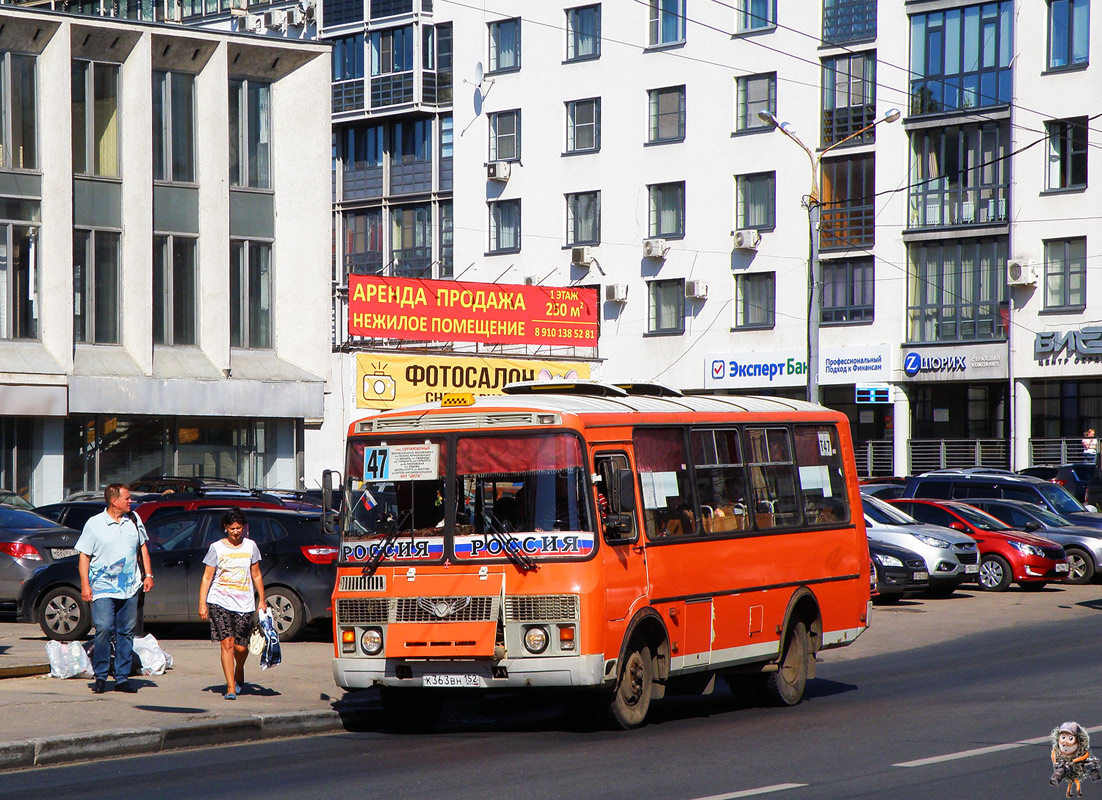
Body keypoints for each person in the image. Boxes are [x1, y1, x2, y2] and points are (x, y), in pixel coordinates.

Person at [76, 483, 153, 694]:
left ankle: (121, 678)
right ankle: (100, 676)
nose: (131, 502)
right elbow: (84, 556)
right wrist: (85, 585)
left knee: (126, 632)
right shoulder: (94, 524)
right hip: (102, 587)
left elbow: (142, 548)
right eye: (127, 498)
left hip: (130, 587)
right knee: (103, 628)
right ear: (114, 500)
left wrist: (148, 575)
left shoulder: (134, 521)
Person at [198, 508, 266, 700]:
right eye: (232, 528)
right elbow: (206, 578)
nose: (236, 532)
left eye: (239, 528)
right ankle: (230, 687)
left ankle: (240, 669)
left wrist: (262, 600)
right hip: (219, 600)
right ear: (225, 528)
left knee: (241, 648)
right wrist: (202, 603)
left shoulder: (250, 546)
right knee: (227, 643)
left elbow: (256, 574)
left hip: (244, 603)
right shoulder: (216, 548)